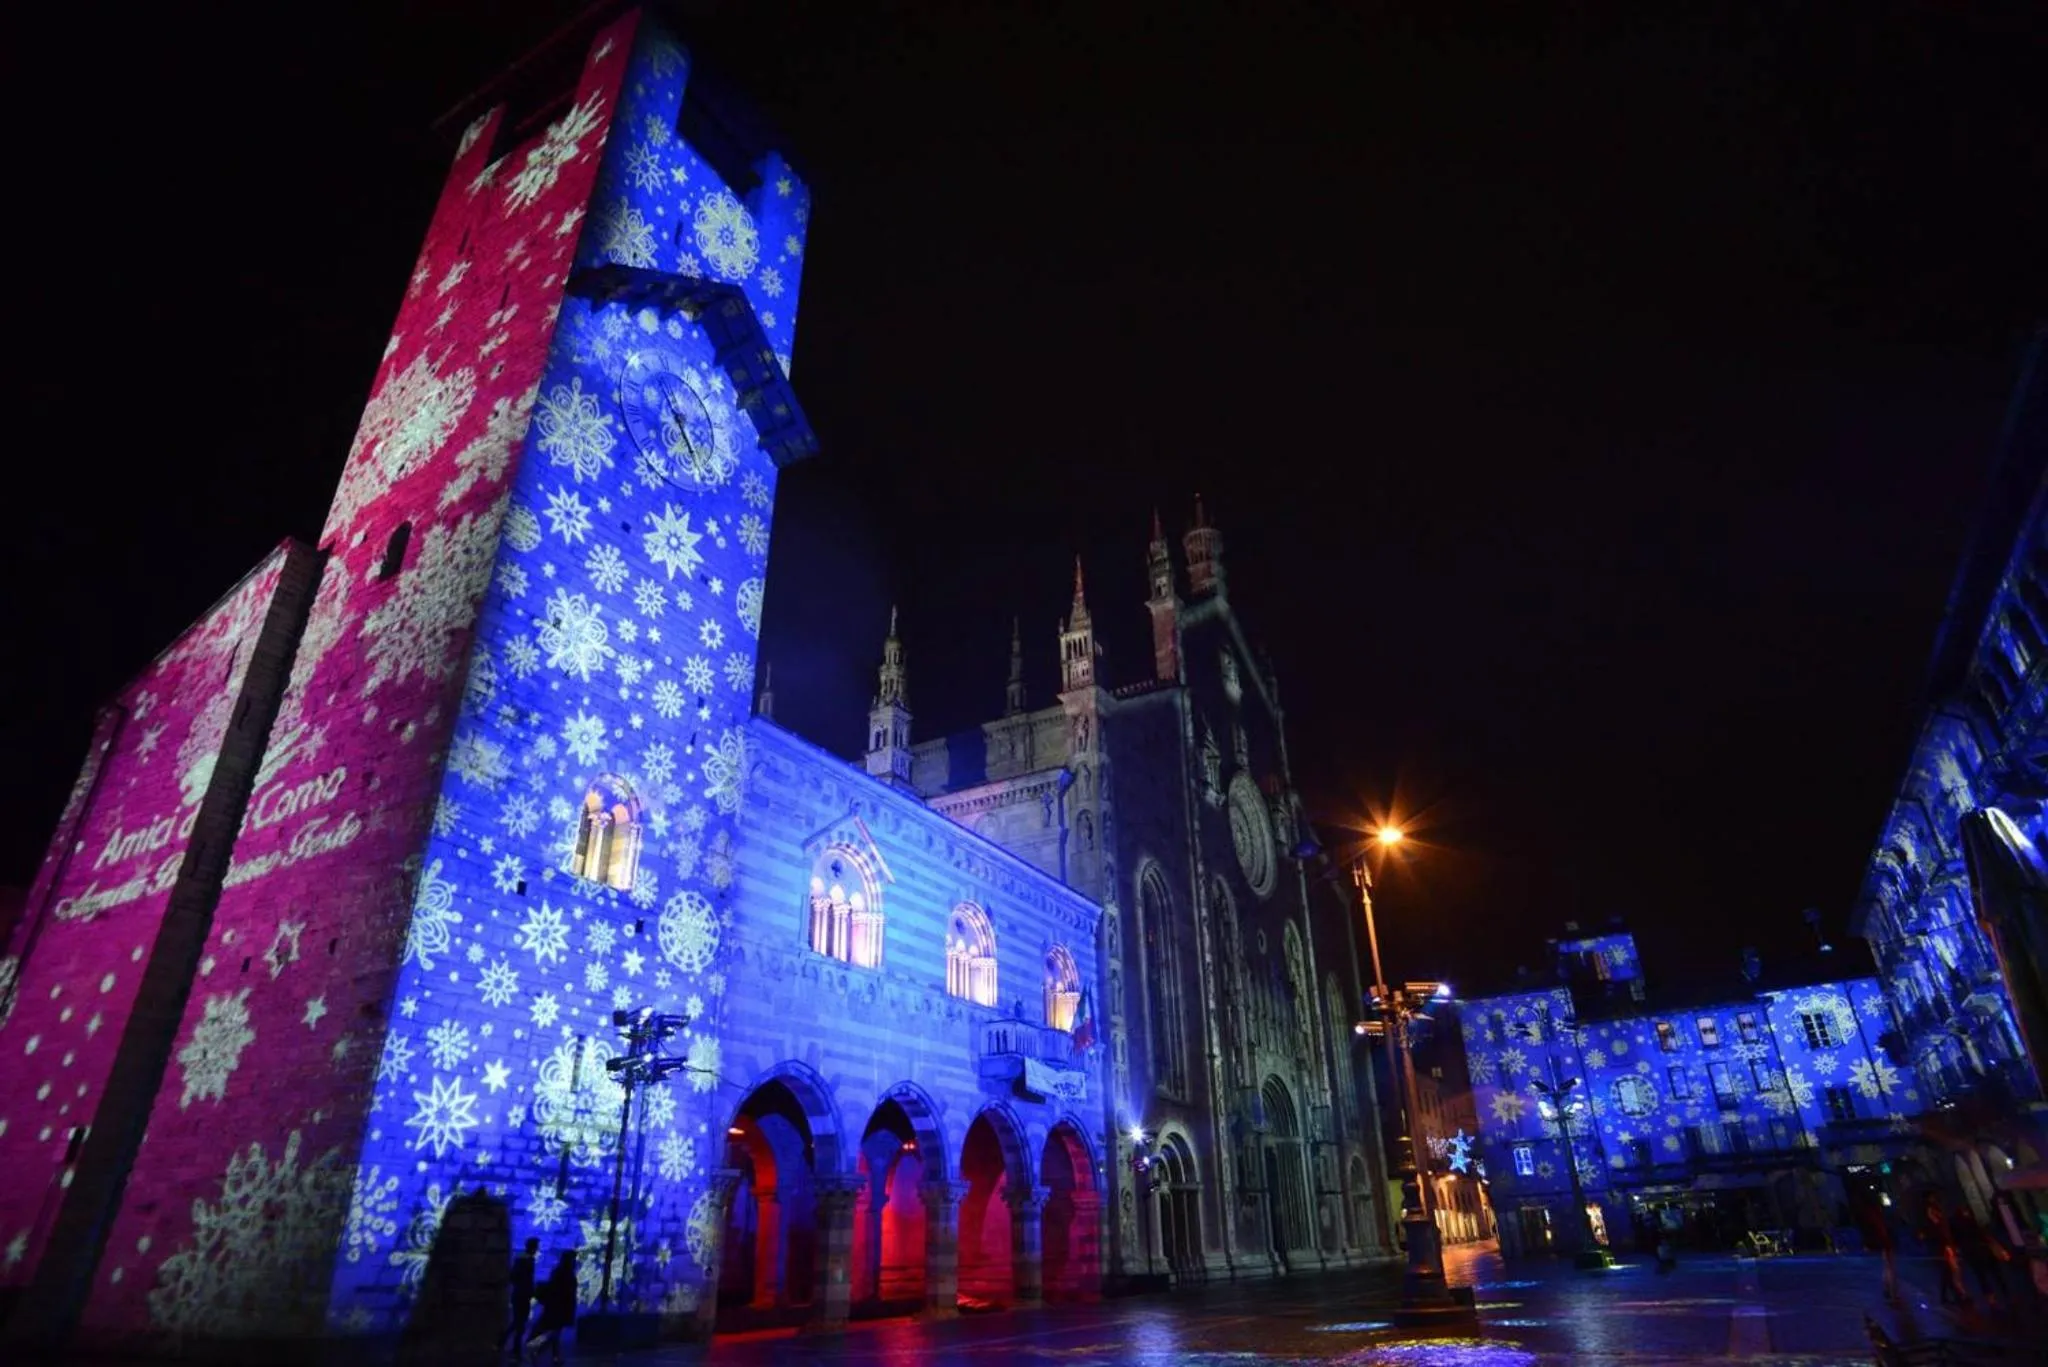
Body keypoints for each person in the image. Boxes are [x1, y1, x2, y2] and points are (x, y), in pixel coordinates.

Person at [1952, 1204, 2009, 1310]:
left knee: (1984, 1275)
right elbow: (1983, 1234)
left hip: (1975, 1253)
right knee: (1992, 1273)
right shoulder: (1971, 1224)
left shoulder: (1961, 1227)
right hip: (1979, 1251)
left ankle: (1993, 1295)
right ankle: (2002, 1292)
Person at [525, 1251, 577, 1365]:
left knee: (552, 1332)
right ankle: (537, 1349)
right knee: (553, 1333)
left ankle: (552, 1355)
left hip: (554, 1307)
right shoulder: (568, 1275)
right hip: (559, 1309)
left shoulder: (558, 1272)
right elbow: (568, 1296)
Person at [503, 1237, 539, 1357]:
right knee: (519, 1324)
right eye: (536, 1246)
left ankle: (506, 1344)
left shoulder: (520, 1259)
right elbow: (527, 1279)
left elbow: (513, 1276)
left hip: (519, 1294)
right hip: (522, 1295)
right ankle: (514, 1349)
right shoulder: (528, 1260)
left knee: (518, 1323)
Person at [1858, 1201, 1899, 1305]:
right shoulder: (1878, 1219)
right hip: (1886, 1243)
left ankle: (1888, 1290)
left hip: (1886, 1243)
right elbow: (1881, 1232)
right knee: (1889, 1268)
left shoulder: (1877, 1219)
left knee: (1888, 1267)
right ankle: (1891, 1293)